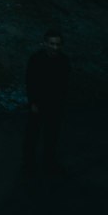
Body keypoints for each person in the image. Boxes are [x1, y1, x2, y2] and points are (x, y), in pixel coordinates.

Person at [23, 30, 69, 184]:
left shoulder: (64, 61)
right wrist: (33, 103)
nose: (55, 47)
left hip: (56, 105)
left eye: (58, 44)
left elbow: (65, 84)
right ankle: (29, 165)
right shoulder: (36, 59)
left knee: (52, 136)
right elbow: (30, 82)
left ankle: (49, 163)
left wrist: (63, 104)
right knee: (33, 135)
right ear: (45, 43)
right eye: (52, 43)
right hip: (39, 104)